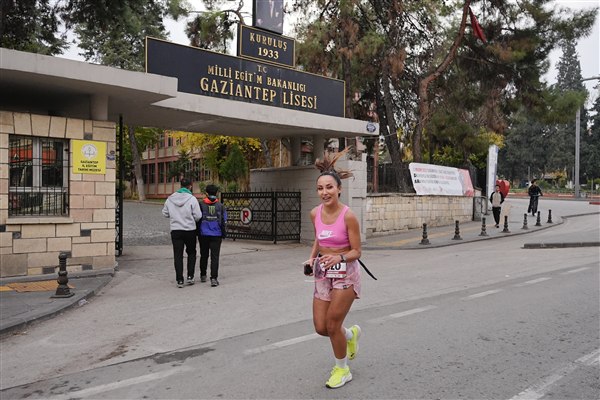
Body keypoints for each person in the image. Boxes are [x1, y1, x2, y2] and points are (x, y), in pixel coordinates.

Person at [304, 149, 362, 389]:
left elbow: (357, 251)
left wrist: (338, 257)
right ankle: (350, 335)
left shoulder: (349, 216)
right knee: (320, 327)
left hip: (345, 273)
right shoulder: (314, 213)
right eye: (320, 188)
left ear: (338, 189)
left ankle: (342, 370)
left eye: (329, 187)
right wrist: (311, 258)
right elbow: (319, 239)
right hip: (323, 272)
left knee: (332, 324)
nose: (324, 192)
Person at [162, 178, 202, 288]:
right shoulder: (192, 199)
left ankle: (179, 279)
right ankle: (190, 276)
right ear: (190, 186)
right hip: (190, 230)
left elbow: (165, 213)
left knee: (178, 255)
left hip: (176, 230)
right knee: (191, 252)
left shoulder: (170, 199)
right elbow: (198, 216)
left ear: (180, 185)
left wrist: (174, 216)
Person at [198, 184, 227, 287]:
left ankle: (203, 275)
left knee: (204, 255)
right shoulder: (220, 206)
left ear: (206, 193)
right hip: (216, 234)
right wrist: (223, 233)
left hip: (203, 233)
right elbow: (224, 220)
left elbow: (197, 218)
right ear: (216, 193)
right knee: (215, 257)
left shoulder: (201, 204)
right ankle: (214, 278)